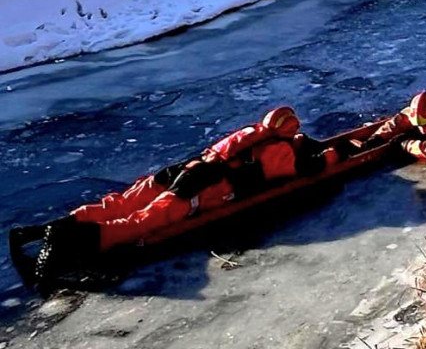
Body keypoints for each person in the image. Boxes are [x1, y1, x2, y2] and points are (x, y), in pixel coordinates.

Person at [34, 107, 345, 281]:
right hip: (198, 191)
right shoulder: (277, 151)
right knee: (139, 223)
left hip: (181, 171)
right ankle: (73, 241)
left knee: (123, 202)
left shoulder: (249, 134)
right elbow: (307, 170)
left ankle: (69, 222)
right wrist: (333, 156)